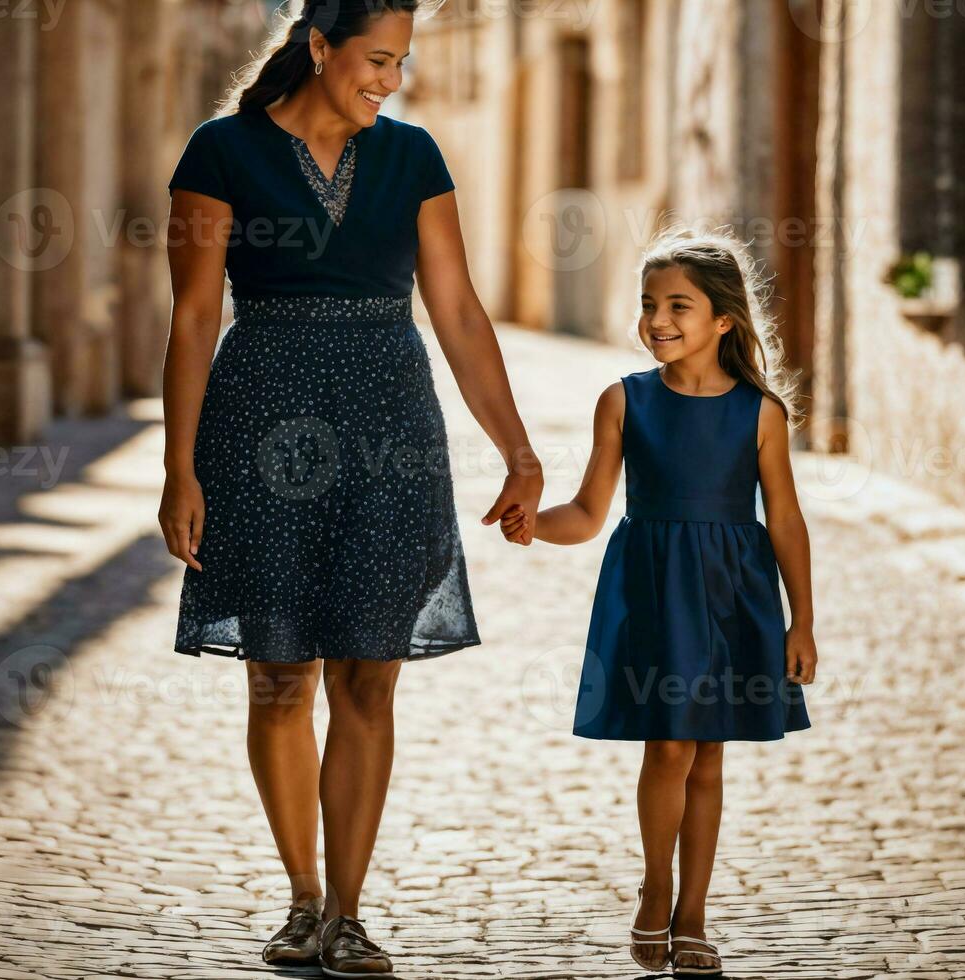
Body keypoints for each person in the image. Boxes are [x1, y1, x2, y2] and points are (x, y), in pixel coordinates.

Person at [158, 1, 543, 974]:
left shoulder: (414, 157)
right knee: (280, 674)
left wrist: (520, 451)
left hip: (391, 437)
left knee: (369, 672)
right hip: (258, 435)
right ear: (318, 46)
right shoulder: (218, 152)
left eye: (402, 62)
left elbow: (454, 308)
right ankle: (298, 898)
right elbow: (194, 317)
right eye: (376, 58)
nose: (391, 80)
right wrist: (179, 466)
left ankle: (347, 911)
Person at [498, 226, 817, 975]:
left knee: (709, 757)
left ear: (723, 320)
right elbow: (585, 512)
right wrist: (531, 528)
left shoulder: (759, 412)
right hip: (654, 589)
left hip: (736, 593)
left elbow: (788, 520)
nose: (658, 320)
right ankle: (654, 887)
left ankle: (694, 913)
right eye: (648, 304)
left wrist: (803, 620)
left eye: (679, 305)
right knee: (669, 744)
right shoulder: (624, 401)